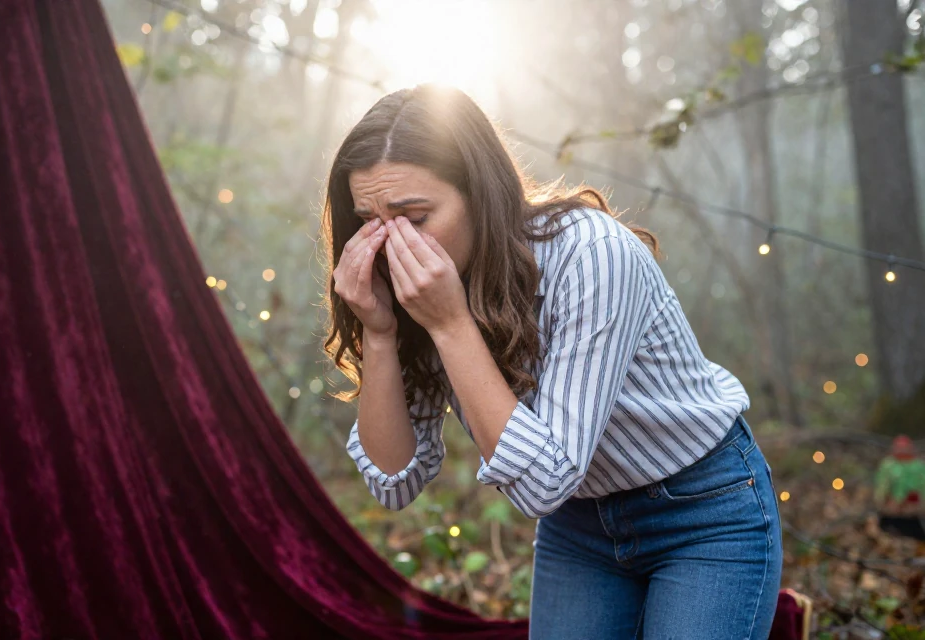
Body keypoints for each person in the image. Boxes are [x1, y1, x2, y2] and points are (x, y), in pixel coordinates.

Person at [321, 84, 782, 639]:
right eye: (369, 221)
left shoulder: (592, 254)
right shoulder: (418, 285)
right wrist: (379, 333)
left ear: (480, 194)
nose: (390, 244)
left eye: (415, 216)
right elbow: (394, 481)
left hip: (702, 510)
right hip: (579, 525)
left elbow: (542, 481)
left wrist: (450, 324)